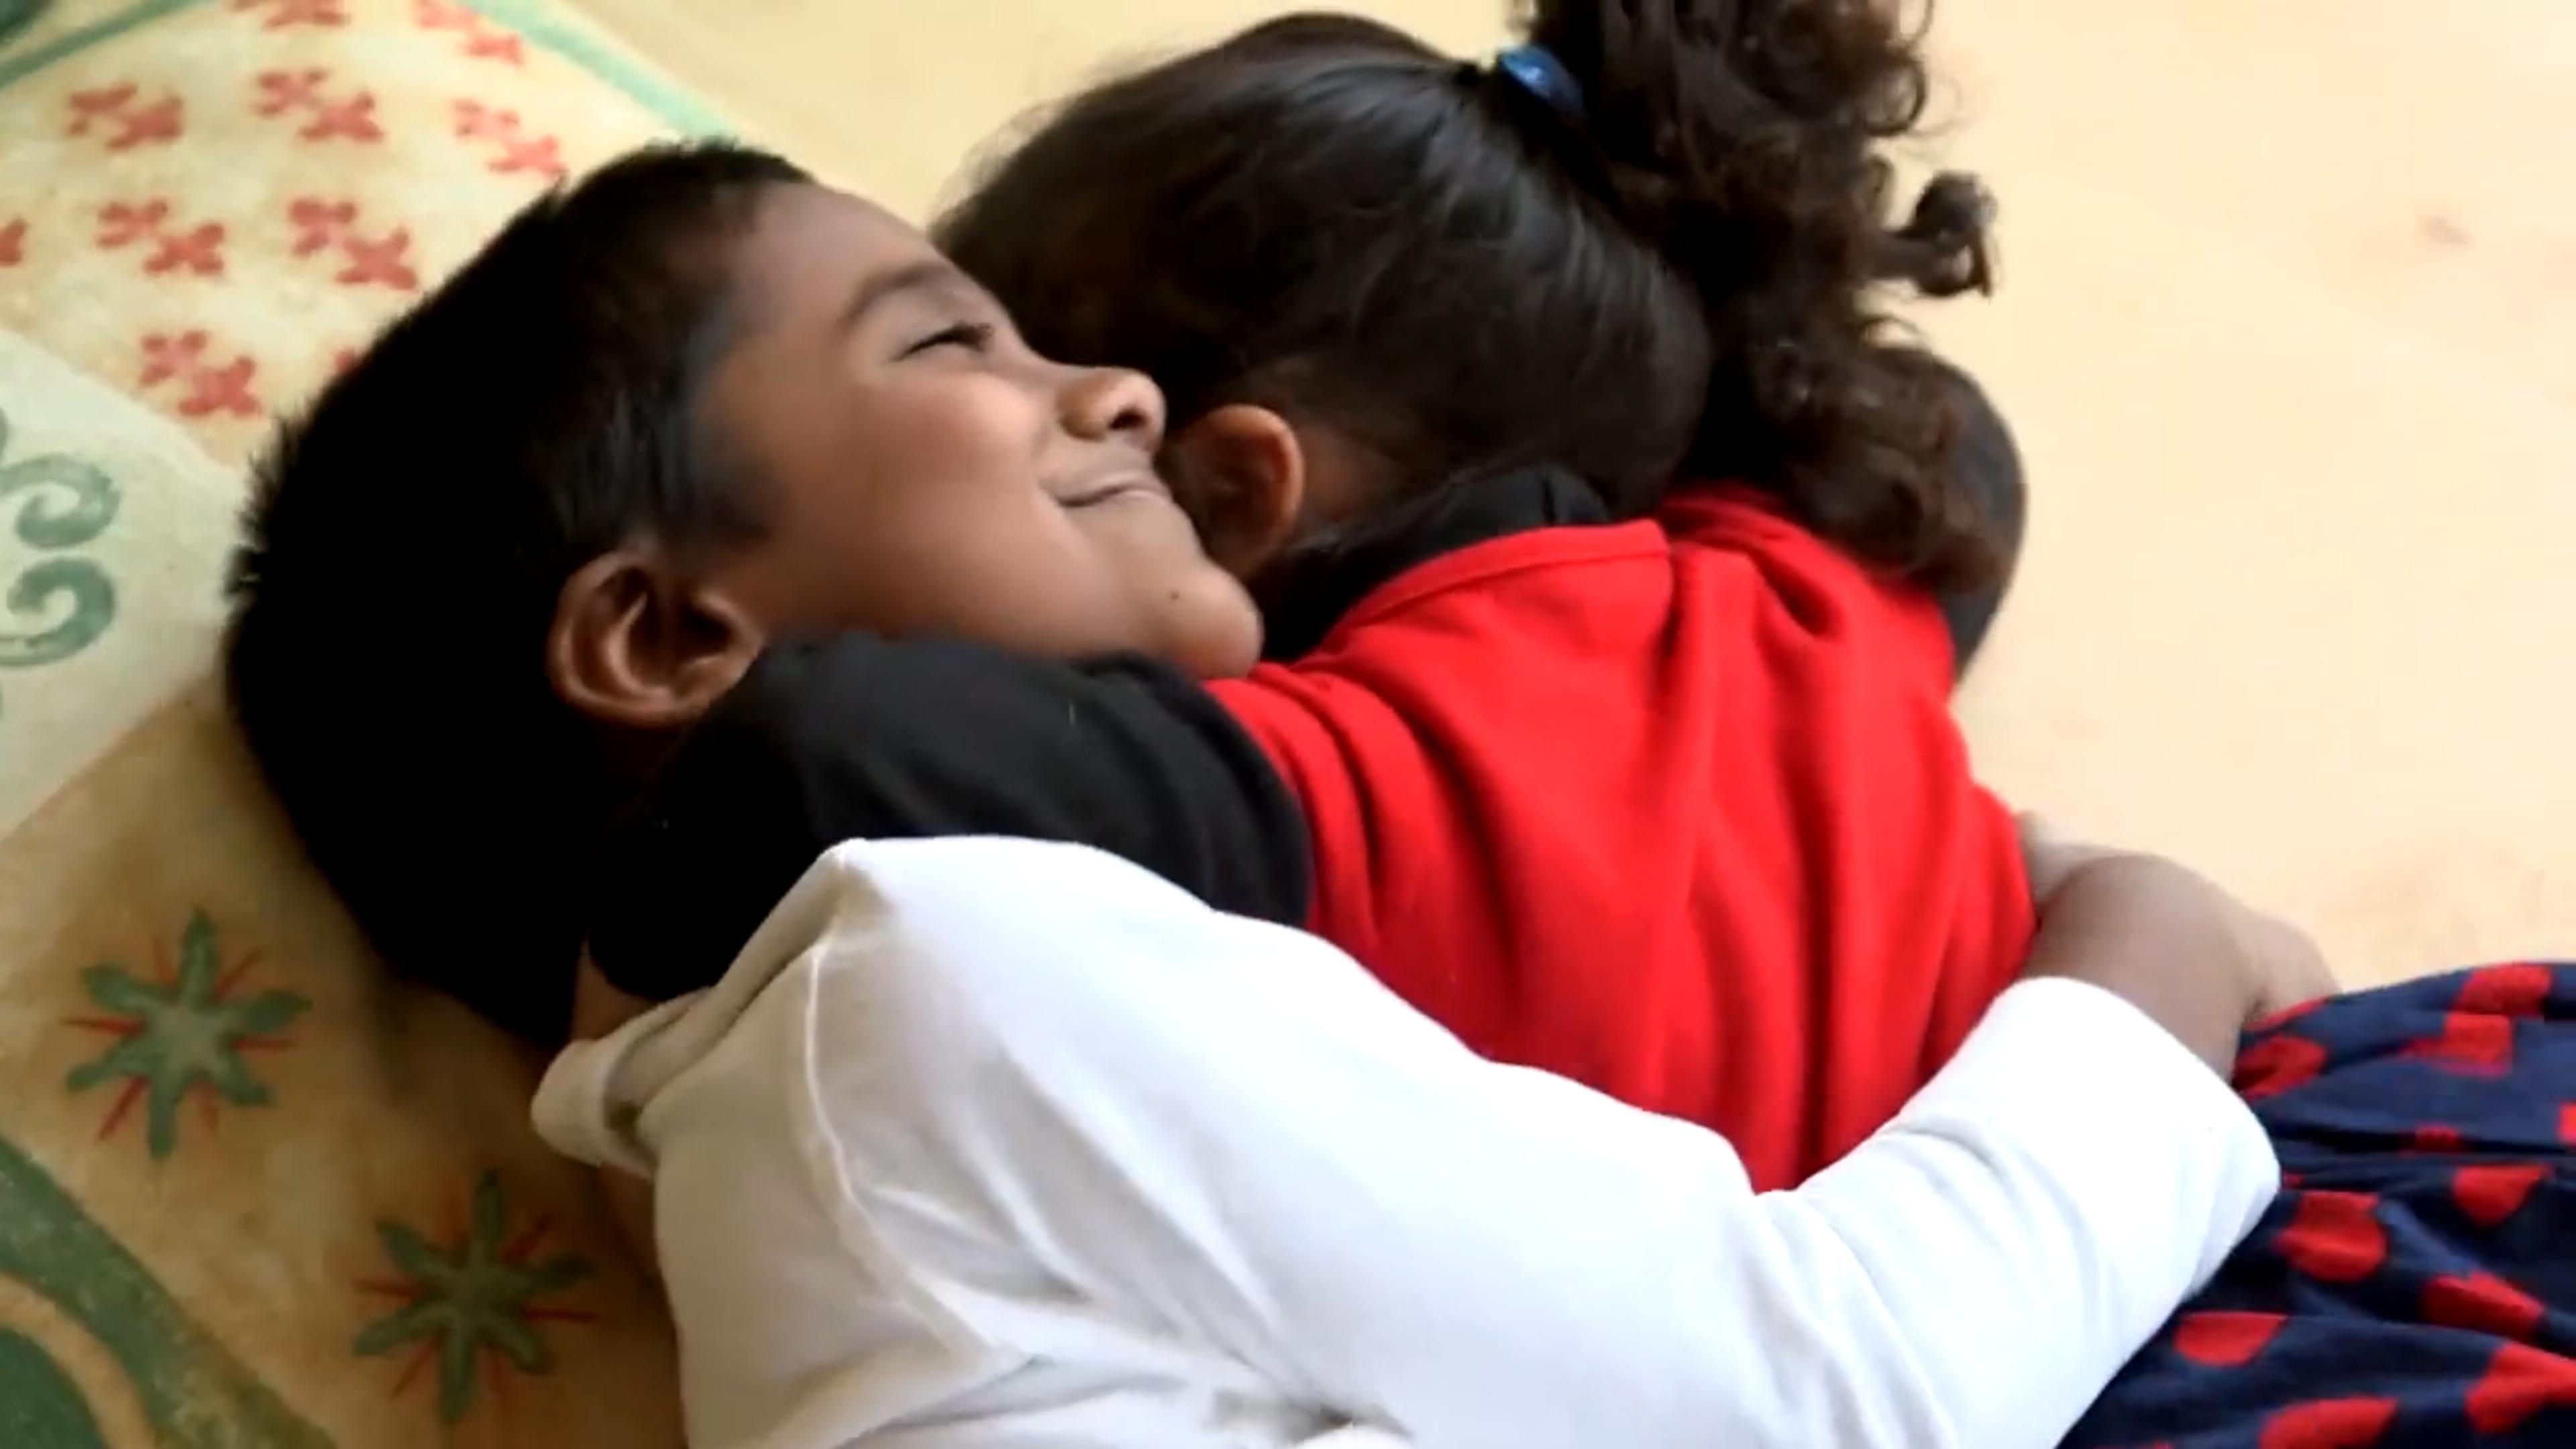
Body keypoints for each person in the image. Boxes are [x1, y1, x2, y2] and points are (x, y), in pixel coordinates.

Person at [574, 0, 2050, 1192]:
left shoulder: (1350, 789)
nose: (1092, 407)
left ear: (1222, 495)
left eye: (995, 339)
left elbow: (812, 749)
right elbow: (1957, 437)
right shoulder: (1812, 593)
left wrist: (607, 1072)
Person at [532, 822, 2288, 1449]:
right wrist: (2153, 926)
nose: (1111, 396)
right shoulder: (928, 980)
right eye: (951, 336)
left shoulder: (781, 1160)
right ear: (676, 638)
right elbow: (1843, 1387)